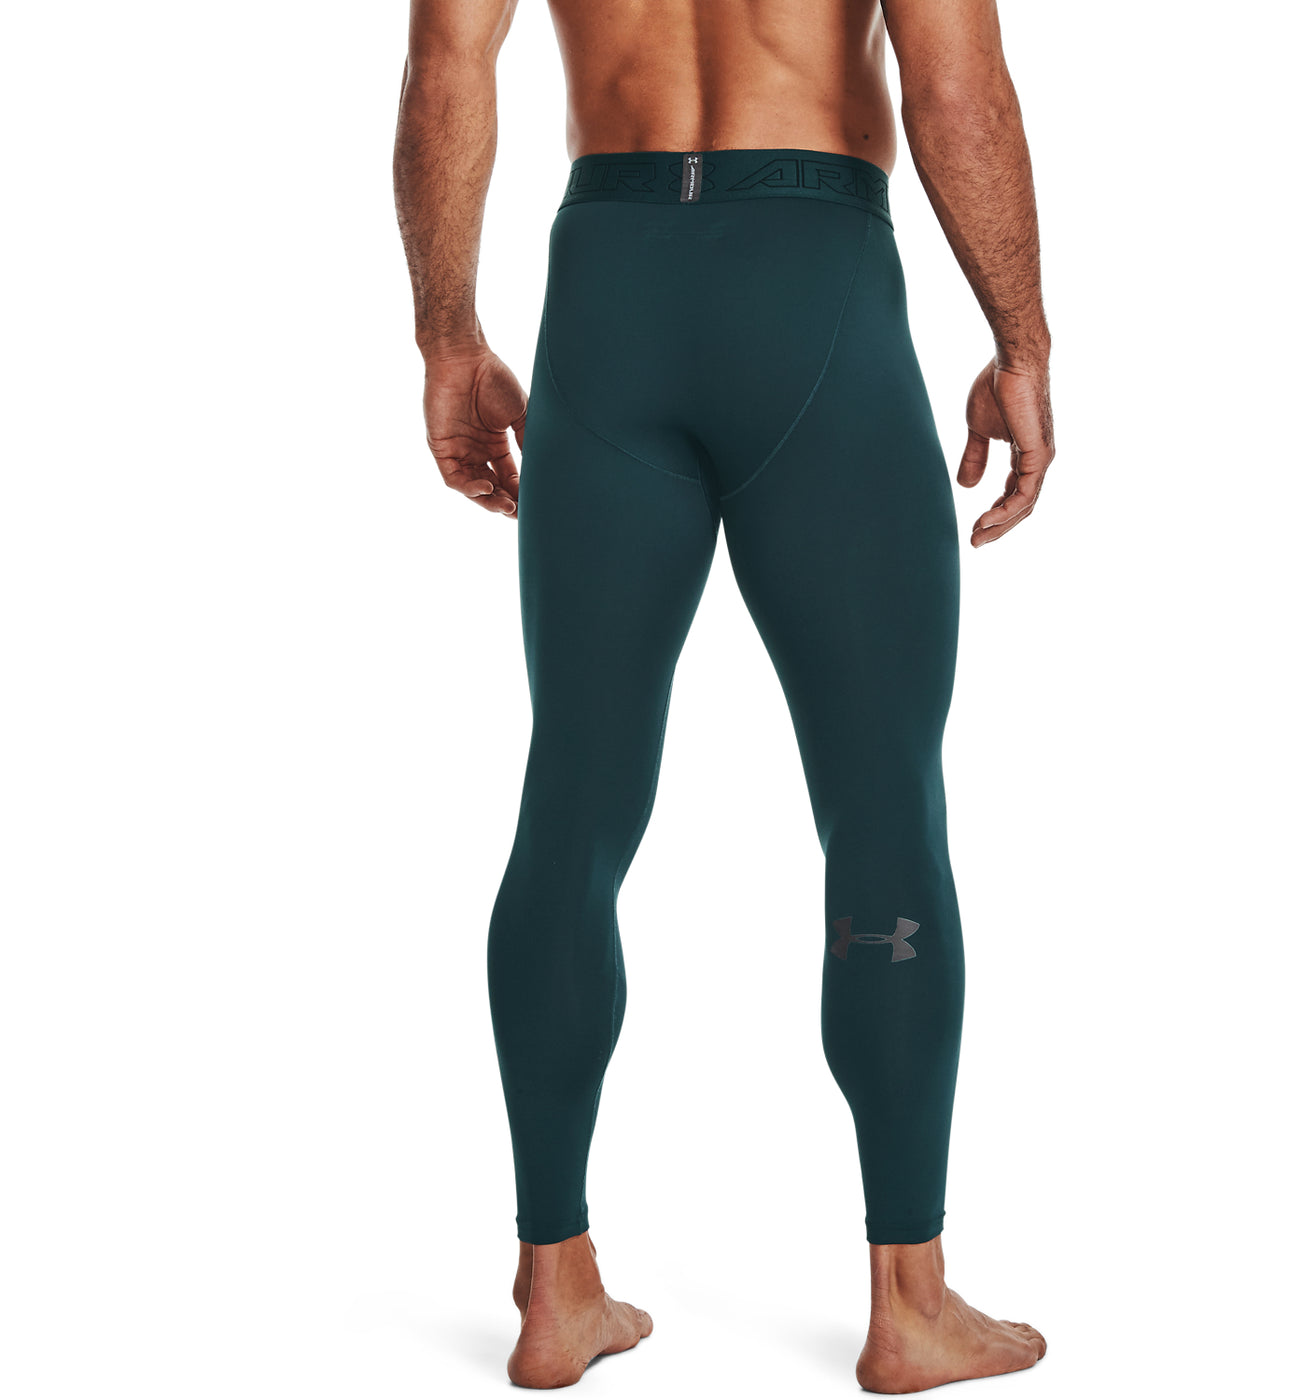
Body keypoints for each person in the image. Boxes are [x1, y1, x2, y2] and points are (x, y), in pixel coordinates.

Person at [393, 0, 1054, 1389]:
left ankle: (554, 1286)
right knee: (882, 805)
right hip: (811, 278)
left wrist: (448, 338)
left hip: (609, 290)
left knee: (574, 801)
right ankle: (910, 1301)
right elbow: (956, 89)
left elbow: (448, 64)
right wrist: (1023, 346)